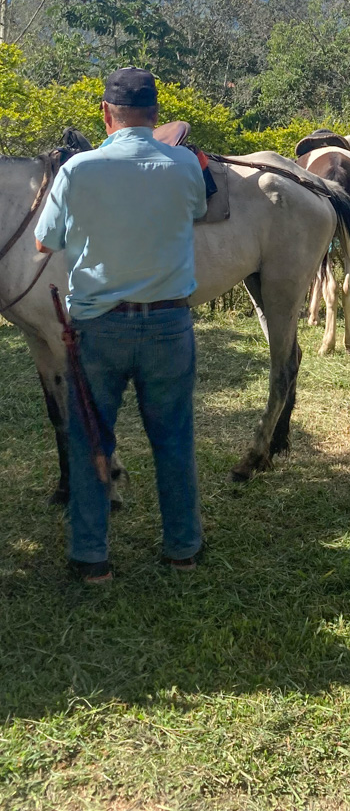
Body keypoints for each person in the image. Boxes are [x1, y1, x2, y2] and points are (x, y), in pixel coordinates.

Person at [35, 67, 208, 583]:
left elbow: (46, 242)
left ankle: (91, 559)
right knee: (174, 439)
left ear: (106, 114)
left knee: (92, 438)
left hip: (97, 329)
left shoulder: (78, 170)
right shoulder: (183, 166)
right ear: (156, 116)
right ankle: (182, 549)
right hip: (168, 325)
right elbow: (197, 212)